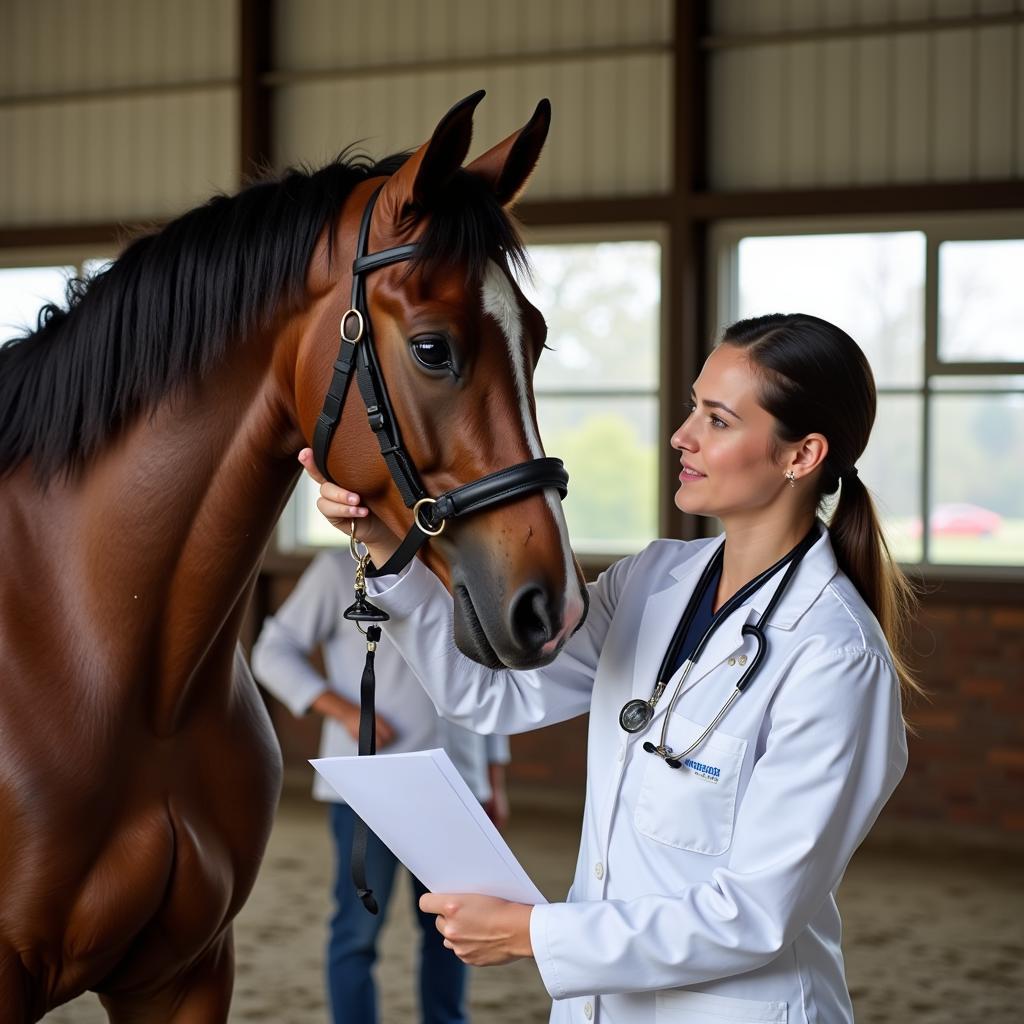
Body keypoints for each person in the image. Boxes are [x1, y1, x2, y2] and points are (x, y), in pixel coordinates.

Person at [298, 313, 919, 1024]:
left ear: (802, 455)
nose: (682, 435)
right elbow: (490, 698)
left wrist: (534, 933)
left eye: (717, 420)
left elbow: (754, 914)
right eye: (693, 406)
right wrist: (383, 547)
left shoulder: (835, 657)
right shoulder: (653, 580)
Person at [251, 549, 510, 1024]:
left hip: (457, 787)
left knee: (452, 930)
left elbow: (489, 677)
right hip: (369, 787)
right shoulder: (337, 570)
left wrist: (493, 781)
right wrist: (342, 710)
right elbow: (271, 651)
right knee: (357, 931)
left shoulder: (470, 561)